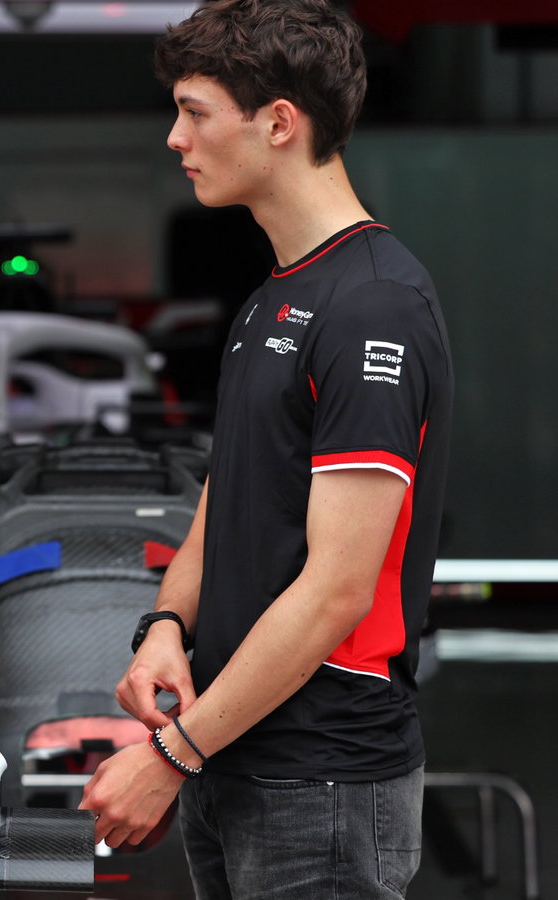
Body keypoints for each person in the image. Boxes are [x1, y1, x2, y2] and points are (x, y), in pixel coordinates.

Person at [78, 4, 453, 899]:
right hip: (234, 753)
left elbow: (337, 590)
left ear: (279, 122)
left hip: (323, 777)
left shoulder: (373, 306)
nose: (175, 138)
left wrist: (170, 755)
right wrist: (166, 627)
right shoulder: (274, 295)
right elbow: (229, 495)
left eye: (194, 112)